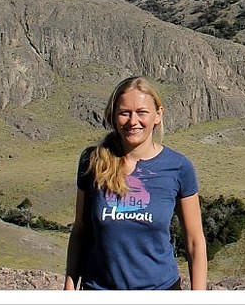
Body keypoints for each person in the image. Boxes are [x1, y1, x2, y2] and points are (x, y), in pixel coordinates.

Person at [64, 76, 208, 290]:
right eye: (125, 113)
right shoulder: (92, 161)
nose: (133, 121)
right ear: (113, 116)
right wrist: (69, 285)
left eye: (142, 112)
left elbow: (195, 242)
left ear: (158, 115)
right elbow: (80, 231)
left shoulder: (178, 167)